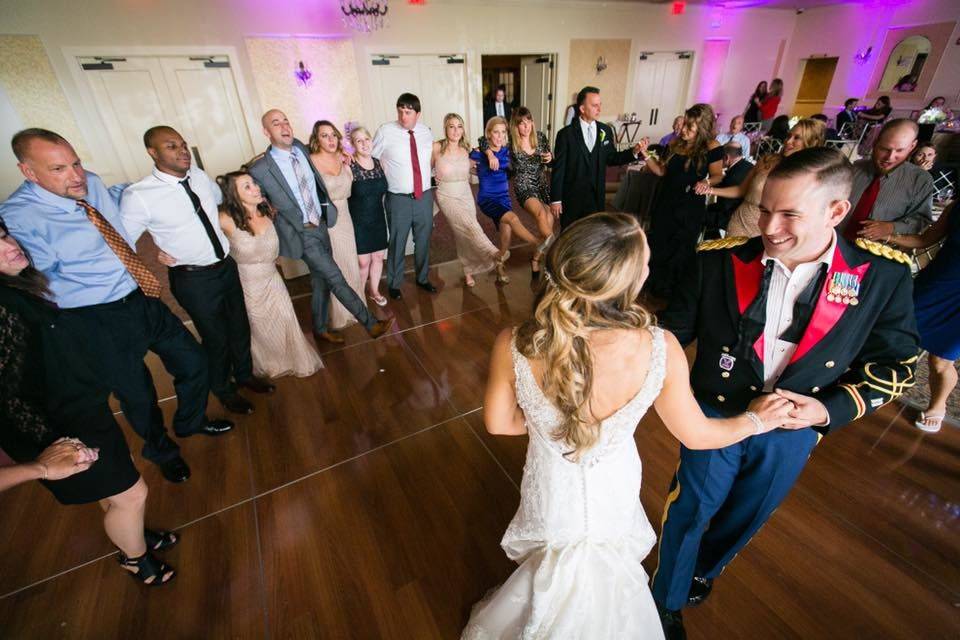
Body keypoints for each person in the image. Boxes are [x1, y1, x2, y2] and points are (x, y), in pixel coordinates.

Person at [462, 212, 803, 639]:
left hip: (552, 490)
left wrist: (552, 426)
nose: (648, 267)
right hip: (613, 492)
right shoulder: (659, 347)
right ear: (630, 281)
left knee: (555, 569)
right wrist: (756, 419)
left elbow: (498, 423)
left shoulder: (515, 341)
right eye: (645, 261)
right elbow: (696, 435)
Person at [652, 147, 920, 639]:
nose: (770, 227)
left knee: (749, 511)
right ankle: (664, 600)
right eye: (767, 209)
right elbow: (669, 334)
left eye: (790, 214)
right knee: (692, 506)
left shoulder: (882, 275)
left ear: (836, 212)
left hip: (795, 427)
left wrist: (828, 409)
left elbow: (898, 363)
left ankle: (702, 572)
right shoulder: (719, 261)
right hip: (715, 413)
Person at [0, 129, 230, 485]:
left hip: (139, 296)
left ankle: (190, 421)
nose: (76, 176)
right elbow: (27, 278)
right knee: (137, 393)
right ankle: (162, 451)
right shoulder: (18, 218)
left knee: (193, 360)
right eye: (59, 169)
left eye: (76, 163)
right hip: (93, 318)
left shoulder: (90, 183)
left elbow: (120, 204)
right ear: (29, 172)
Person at [0, 222, 177, 585]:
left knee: (115, 484)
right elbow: (8, 395)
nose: (8, 246)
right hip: (57, 426)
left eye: (2, 235)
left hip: (78, 409)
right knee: (132, 495)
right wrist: (55, 442)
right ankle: (135, 559)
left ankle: (134, 536)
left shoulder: (14, 286)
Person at [121, 126, 274, 416]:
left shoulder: (200, 177)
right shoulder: (140, 195)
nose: (181, 151)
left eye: (182, 144)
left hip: (226, 267)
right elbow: (123, 242)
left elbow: (219, 206)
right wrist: (154, 253)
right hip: (193, 278)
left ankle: (244, 375)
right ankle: (223, 388)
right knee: (216, 338)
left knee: (240, 327)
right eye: (171, 146)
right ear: (152, 153)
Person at [247, 110, 392, 345]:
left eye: (286, 120)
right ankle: (370, 323)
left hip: (323, 224)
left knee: (320, 280)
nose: (284, 126)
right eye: (276, 123)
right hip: (301, 232)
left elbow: (329, 154)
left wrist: (346, 154)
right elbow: (250, 201)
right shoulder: (260, 168)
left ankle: (320, 327)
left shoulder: (302, 150)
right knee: (335, 276)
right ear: (266, 132)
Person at [217, 171, 323, 379]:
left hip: (272, 278)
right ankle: (268, 363)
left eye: (254, 183)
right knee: (259, 326)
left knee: (285, 317)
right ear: (233, 194)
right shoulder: (224, 219)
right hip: (247, 282)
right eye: (247, 186)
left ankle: (291, 358)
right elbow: (197, 234)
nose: (256, 188)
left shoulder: (267, 212)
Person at [640, 103, 724, 299]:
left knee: (681, 249)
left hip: (689, 207)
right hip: (665, 202)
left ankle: (672, 294)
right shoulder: (674, 144)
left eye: (689, 127)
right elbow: (661, 171)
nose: (683, 129)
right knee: (659, 244)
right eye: (684, 123)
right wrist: (645, 154)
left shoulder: (713, 147)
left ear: (701, 128)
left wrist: (706, 181)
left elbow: (718, 176)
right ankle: (653, 287)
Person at [889, 201, 958, 433]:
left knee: (940, 361)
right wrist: (889, 238)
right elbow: (925, 240)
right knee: (895, 336)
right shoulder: (957, 206)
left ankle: (938, 406)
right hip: (934, 286)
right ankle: (872, 387)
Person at [705, 118, 826, 238]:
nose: (789, 141)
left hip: (767, 236)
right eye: (789, 135)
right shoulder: (767, 161)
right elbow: (740, 190)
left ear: (810, 143)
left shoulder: (809, 179)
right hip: (738, 225)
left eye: (797, 138)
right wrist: (709, 190)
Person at [372, 93, 438, 300]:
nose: (403, 115)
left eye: (408, 112)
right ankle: (394, 283)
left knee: (423, 240)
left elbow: (432, 159)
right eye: (400, 110)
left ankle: (423, 278)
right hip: (398, 198)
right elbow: (371, 159)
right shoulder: (385, 131)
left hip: (424, 196)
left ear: (417, 114)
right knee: (398, 241)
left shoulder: (426, 132)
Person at [480, 107, 556, 279]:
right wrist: (490, 154)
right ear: (515, 126)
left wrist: (551, 158)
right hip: (523, 186)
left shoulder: (541, 138)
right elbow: (483, 141)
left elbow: (551, 163)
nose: (526, 126)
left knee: (549, 217)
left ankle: (536, 259)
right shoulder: (511, 145)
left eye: (528, 121)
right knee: (540, 213)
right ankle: (556, 248)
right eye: (521, 123)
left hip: (542, 185)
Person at [550, 86, 640, 229]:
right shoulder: (565, 135)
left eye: (600, 105)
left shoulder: (605, 130)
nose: (599, 109)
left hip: (596, 196)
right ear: (582, 108)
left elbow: (612, 158)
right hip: (572, 196)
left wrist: (633, 152)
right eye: (594, 105)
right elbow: (559, 169)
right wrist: (556, 199)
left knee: (593, 235)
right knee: (569, 235)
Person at [432, 113, 505, 287]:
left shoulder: (467, 150)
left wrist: (490, 160)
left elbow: (474, 169)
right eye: (451, 126)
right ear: (445, 128)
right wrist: (433, 177)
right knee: (470, 226)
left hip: (465, 193)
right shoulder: (436, 147)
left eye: (459, 126)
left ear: (463, 129)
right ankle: (495, 252)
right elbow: (423, 169)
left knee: (462, 234)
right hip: (446, 195)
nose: (456, 130)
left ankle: (468, 270)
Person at [308, 120, 366, 330]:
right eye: (324, 135)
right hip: (325, 222)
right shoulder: (310, 162)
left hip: (345, 219)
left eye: (333, 135)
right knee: (334, 267)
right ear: (316, 139)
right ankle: (339, 314)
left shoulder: (343, 159)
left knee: (350, 262)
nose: (331, 139)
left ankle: (356, 310)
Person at [470, 117, 542, 279]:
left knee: (506, 235)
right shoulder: (480, 151)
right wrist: (486, 158)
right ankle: (538, 243)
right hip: (488, 199)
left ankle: (499, 264)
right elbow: (463, 165)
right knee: (513, 219)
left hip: (504, 199)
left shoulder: (508, 152)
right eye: (496, 132)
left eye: (503, 132)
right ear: (489, 134)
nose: (500, 136)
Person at [843, 119, 935, 242]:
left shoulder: (920, 180)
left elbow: (921, 219)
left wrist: (891, 227)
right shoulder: (855, 169)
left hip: (876, 251)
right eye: (885, 149)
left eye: (899, 150)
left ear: (912, 147)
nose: (890, 157)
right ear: (875, 143)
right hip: (835, 243)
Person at [347, 126, 389, 306]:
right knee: (363, 263)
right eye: (359, 140)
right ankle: (358, 294)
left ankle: (374, 291)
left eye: (367, 139)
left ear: (372, 140)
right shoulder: (349, 166)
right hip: (358, 222)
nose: (364, 144)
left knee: (378, 258)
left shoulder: (380, 163)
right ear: (353, 145)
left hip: (378, 219)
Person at [703, 142, 754, 239]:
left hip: (731, 220)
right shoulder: (747, 166)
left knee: (696, 215)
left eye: (719, 159)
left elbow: (724, 208)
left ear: (726, 157)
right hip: (737, 213)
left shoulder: (732, 177)